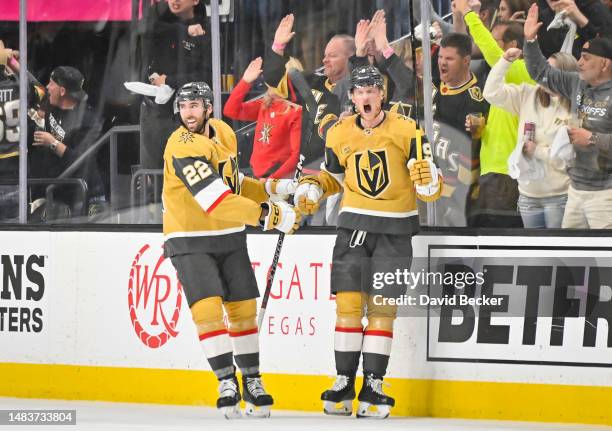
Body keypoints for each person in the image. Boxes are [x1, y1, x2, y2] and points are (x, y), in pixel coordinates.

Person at [293, 66, 443, 418]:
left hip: (396, 231)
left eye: (372, 91)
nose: (365, 98)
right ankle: (344, 381)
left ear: (382, 95)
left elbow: (429, 188)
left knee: (382, 310)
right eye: (359, 93)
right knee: (347, 307)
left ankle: (373, 383)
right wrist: (314, 188)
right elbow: (333, 178)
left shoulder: (408, 130)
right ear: (352, 98)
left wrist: (429, 181)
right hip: (353, 228)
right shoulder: (339, 133)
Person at [162, 82, 300, 418]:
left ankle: (253, 380)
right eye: (183, 106)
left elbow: (233, 183)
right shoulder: (181, 146)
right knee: (207, 310)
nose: (188, 113)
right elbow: (213, 199)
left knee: (242, 311)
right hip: (189, 239)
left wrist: (271, 188)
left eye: (194, 106)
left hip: (230, 237)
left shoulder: (224, 132)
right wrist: (268, 215)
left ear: (209, 108)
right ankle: (227, 381)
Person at [523, 4, 612, 228]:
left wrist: (592, 138)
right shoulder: (576, 83)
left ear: (605, 64)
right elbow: (540, 72)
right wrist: (530, 41)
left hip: (606, 195)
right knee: (571, 259)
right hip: (575, 190)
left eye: (586, 57)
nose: (579, 62)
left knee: (605, 261)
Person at [455, 0, 534, 227]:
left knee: (503, 241)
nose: (492, 48)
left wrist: (468, 14)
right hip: (492, 169)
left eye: (497, 42)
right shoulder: (502, 78)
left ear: (513, 46)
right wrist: (482, 127)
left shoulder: (522, 70)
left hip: (508, 172)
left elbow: (489, 50)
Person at [483, 48, 577, 228]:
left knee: (557, 255)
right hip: (527, 196)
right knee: (536, 255)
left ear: (565, 75)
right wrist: (505, 61)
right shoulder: (528, 94)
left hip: (560, 197)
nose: (543, 74)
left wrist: (538, 151)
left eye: (550, 70)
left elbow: (569, 160)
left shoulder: (575, 107)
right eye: (543, 68)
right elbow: (491, 93)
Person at [264, 14, 355, 167]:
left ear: (350, 58)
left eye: (332, 56)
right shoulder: (311, 82)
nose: (325, 60)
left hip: (337, 167)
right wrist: (277, 47)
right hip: (303, 167)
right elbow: (273, 80)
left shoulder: (359, 92)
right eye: (325, 55)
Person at [140, 0, 211, 170]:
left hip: (187, 112)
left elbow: (206, 75)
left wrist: (169, 80)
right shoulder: (160, 24)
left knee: (184, 168)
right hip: (155, 110)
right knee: (155, 171)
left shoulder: (206, 31)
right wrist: (183, 30)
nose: (174, 1)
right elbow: (146, 27)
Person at [28, 66, 104, 220]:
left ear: (62, 91)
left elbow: (79, 160)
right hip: (56, 192)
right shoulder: (50, 104)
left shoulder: (88, 120)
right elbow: (31, 82)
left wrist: (53, 143)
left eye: (51, 83)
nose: (47, 87)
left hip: (83, 193)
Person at [432, 32, 490, 227]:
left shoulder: (475, 100)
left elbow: (471, 151)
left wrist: (455, 196)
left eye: (449, 58)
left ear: (466, 61)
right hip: (432, 181)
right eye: (440, 57)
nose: (442, 63)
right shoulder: (438, 82)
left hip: (457, 193)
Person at [223, 57, 302, 179]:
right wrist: (245, 81)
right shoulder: (265, 104)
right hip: (257, 175)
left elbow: (296, 155)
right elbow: (231, 110)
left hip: (278, 181)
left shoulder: (296, 111)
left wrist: (271, 181)